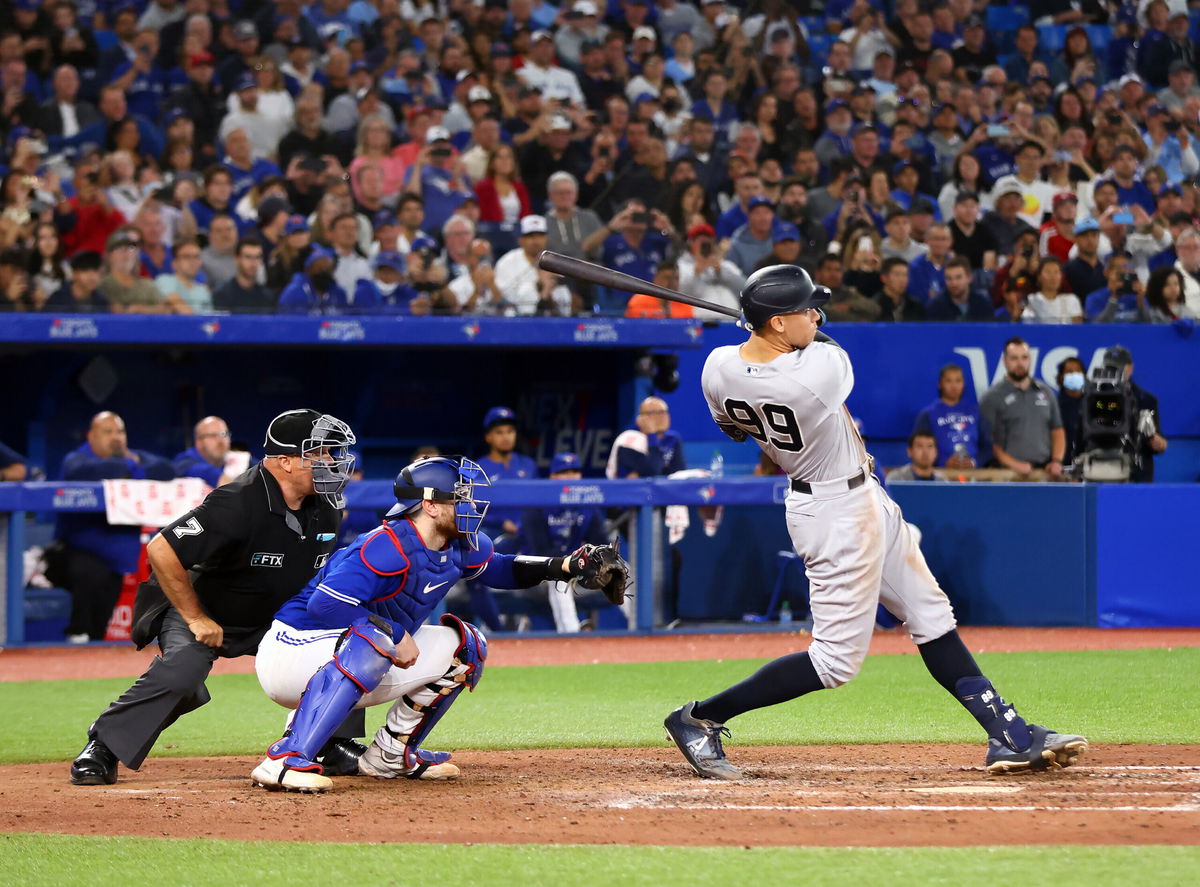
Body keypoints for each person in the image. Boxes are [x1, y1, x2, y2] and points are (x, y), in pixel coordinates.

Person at [664, 265, 1085, 780]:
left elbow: (732, 428)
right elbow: (825, 343)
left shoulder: (716, 366)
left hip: (861, 500)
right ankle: (700, 718)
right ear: (776, 324)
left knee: (932, 615)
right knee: (835, 663)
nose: (817, 314)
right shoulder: (816, 376)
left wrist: (765, 338)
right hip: (835, 515)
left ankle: (1009, 734)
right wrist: (783, 339)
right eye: (804, 308)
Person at [249, 454, 627, 791]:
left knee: (466, 646)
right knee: (374, 639)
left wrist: (562, 567)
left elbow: (499, 568)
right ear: (429, 504)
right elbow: (324, 607)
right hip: (292, 652)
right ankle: (285, 759)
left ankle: (391, 754)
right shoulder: (386, 544)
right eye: (460, 498)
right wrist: (394, 633)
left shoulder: (458, 543)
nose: (471, 505)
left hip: (351, 653)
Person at [69, 410, 356, 786]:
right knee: (183, 674)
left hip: (275, 616)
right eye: (320, 453)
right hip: (206, 610)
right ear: (285, 461)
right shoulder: (237, 502)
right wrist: (194, 617)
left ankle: (327, 742)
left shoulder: (329, 506)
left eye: (332, 454)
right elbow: (161, 549)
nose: (332, 462)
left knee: (347, 647)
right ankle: (103, 746)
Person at [53, 412, 175, 644]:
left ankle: (89, 654)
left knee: (100, 623)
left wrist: (131, 464)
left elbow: (167, 470)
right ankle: (75, 633)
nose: (116, 437)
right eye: (107, 432)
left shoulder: (134, 457)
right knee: (89, 573)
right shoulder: (77, 458)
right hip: (74, 553)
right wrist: (130, 465)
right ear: (91, 436)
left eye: (120, 432)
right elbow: (83, 472)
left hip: (117, 559)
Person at [520, 451, 610, 633]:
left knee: (623, 571)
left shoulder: (587, 507)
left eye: (574, 472)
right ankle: (572, 634)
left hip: (573, 570)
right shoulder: (537, 506)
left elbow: (602, 545)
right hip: (534, 573)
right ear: (553, 477)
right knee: (558, 576)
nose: (571, 477)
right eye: (564, 472)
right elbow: (541, 552)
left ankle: (644, 629)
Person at [469, 406, 539, 633]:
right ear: (489, 436)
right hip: (494, 534)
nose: (506, 436)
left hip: (527, 537)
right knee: (477, 567)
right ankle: (500, 632)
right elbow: (472, 509)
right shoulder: (478, 468)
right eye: (499, 432)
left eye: (510, 431)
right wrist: (501, 523)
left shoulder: (527, 465)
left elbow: (539, 503)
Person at [979, 337, 1066, 480]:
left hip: (1043, 472)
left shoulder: (1046, 392)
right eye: (1014, 358)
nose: (1020, 363)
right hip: (1006, 474)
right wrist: (1014, 464)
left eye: (1024, 358)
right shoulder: (992, 397)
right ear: (1004, 361)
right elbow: (988, 441)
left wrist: (1056, 461)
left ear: (1030, 360)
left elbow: (1057, 430)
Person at [1100, 346, 1168, 483]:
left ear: (1131, 368)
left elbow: (1158, 441)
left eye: (1119, 368)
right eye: (1110, 368)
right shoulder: (1094, 398)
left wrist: (1158, 443)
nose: (1115, 372)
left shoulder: (1146, 400)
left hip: (1137, 473)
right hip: (1103, 470)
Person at [913, 364, 987, 469]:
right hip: (939, 475)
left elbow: (988, 447)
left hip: (974, 475)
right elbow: (918, 448)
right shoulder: (928, 414)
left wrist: (974, 462)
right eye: (948, 381)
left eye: (958, 381)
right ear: (940, 384)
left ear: (963, 384)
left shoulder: (975, 412)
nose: (954, 386)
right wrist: (942, 462)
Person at [606, 396, 686, 479]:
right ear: (640, 419)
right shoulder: (628, 440)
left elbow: (678, 474)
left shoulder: (672, 438)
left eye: (664, 412)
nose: (662, 417)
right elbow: (653, 470)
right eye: (654, 412)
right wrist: (652, 435)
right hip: (629, 490)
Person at [172, 417, 249, 488]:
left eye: (224, 434)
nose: (221, 441)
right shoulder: (185, 461)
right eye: (213, 435)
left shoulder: (237, 458)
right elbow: (208, 473)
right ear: (199, 442)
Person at [925, 257, 994, 321]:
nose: (954, 283)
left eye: (958, 277)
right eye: (949, 278)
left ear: (969, 278)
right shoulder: (936, 307)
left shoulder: (983, 304)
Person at [1022, 258, 1083, 324]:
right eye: (1048, 272)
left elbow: (1078, 330)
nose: (1053, 277)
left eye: (1056, 272)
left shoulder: (1072, 300)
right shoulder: (1031, 300)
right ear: (1039, 276)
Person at [1055, 356, 1087, 468]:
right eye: (1069, 371)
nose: (1074, 374)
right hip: (1060, 466)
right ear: (1061, 377)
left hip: (1089, 465)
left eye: (1078, 371)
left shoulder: (1093, 403)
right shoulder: (1054, 406)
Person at [874, 257, 926, 321]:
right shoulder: (875, 306)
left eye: (905, 275)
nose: (902, 280)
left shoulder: (915, 306)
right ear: (884, 278)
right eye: (897, 275)